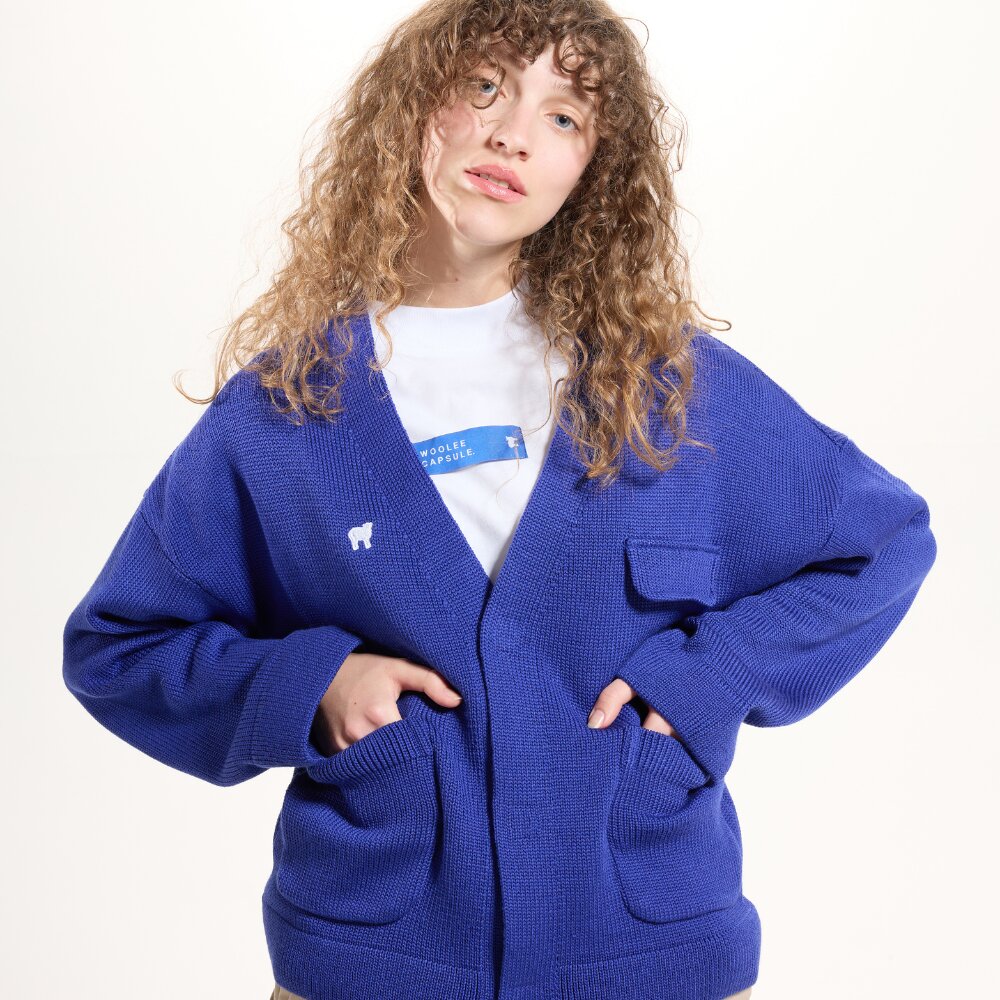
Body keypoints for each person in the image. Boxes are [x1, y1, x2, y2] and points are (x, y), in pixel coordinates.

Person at [62, 2, 936, 999]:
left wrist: (712, 673)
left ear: (592, 170)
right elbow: (120, 645)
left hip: (650, 949)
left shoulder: (665, 388)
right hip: (370, 960)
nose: (514, 134)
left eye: (564, 117)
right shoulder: (286, 408)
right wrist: (313, 685)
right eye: (483, 88)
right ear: (407, 110)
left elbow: (883, 542)